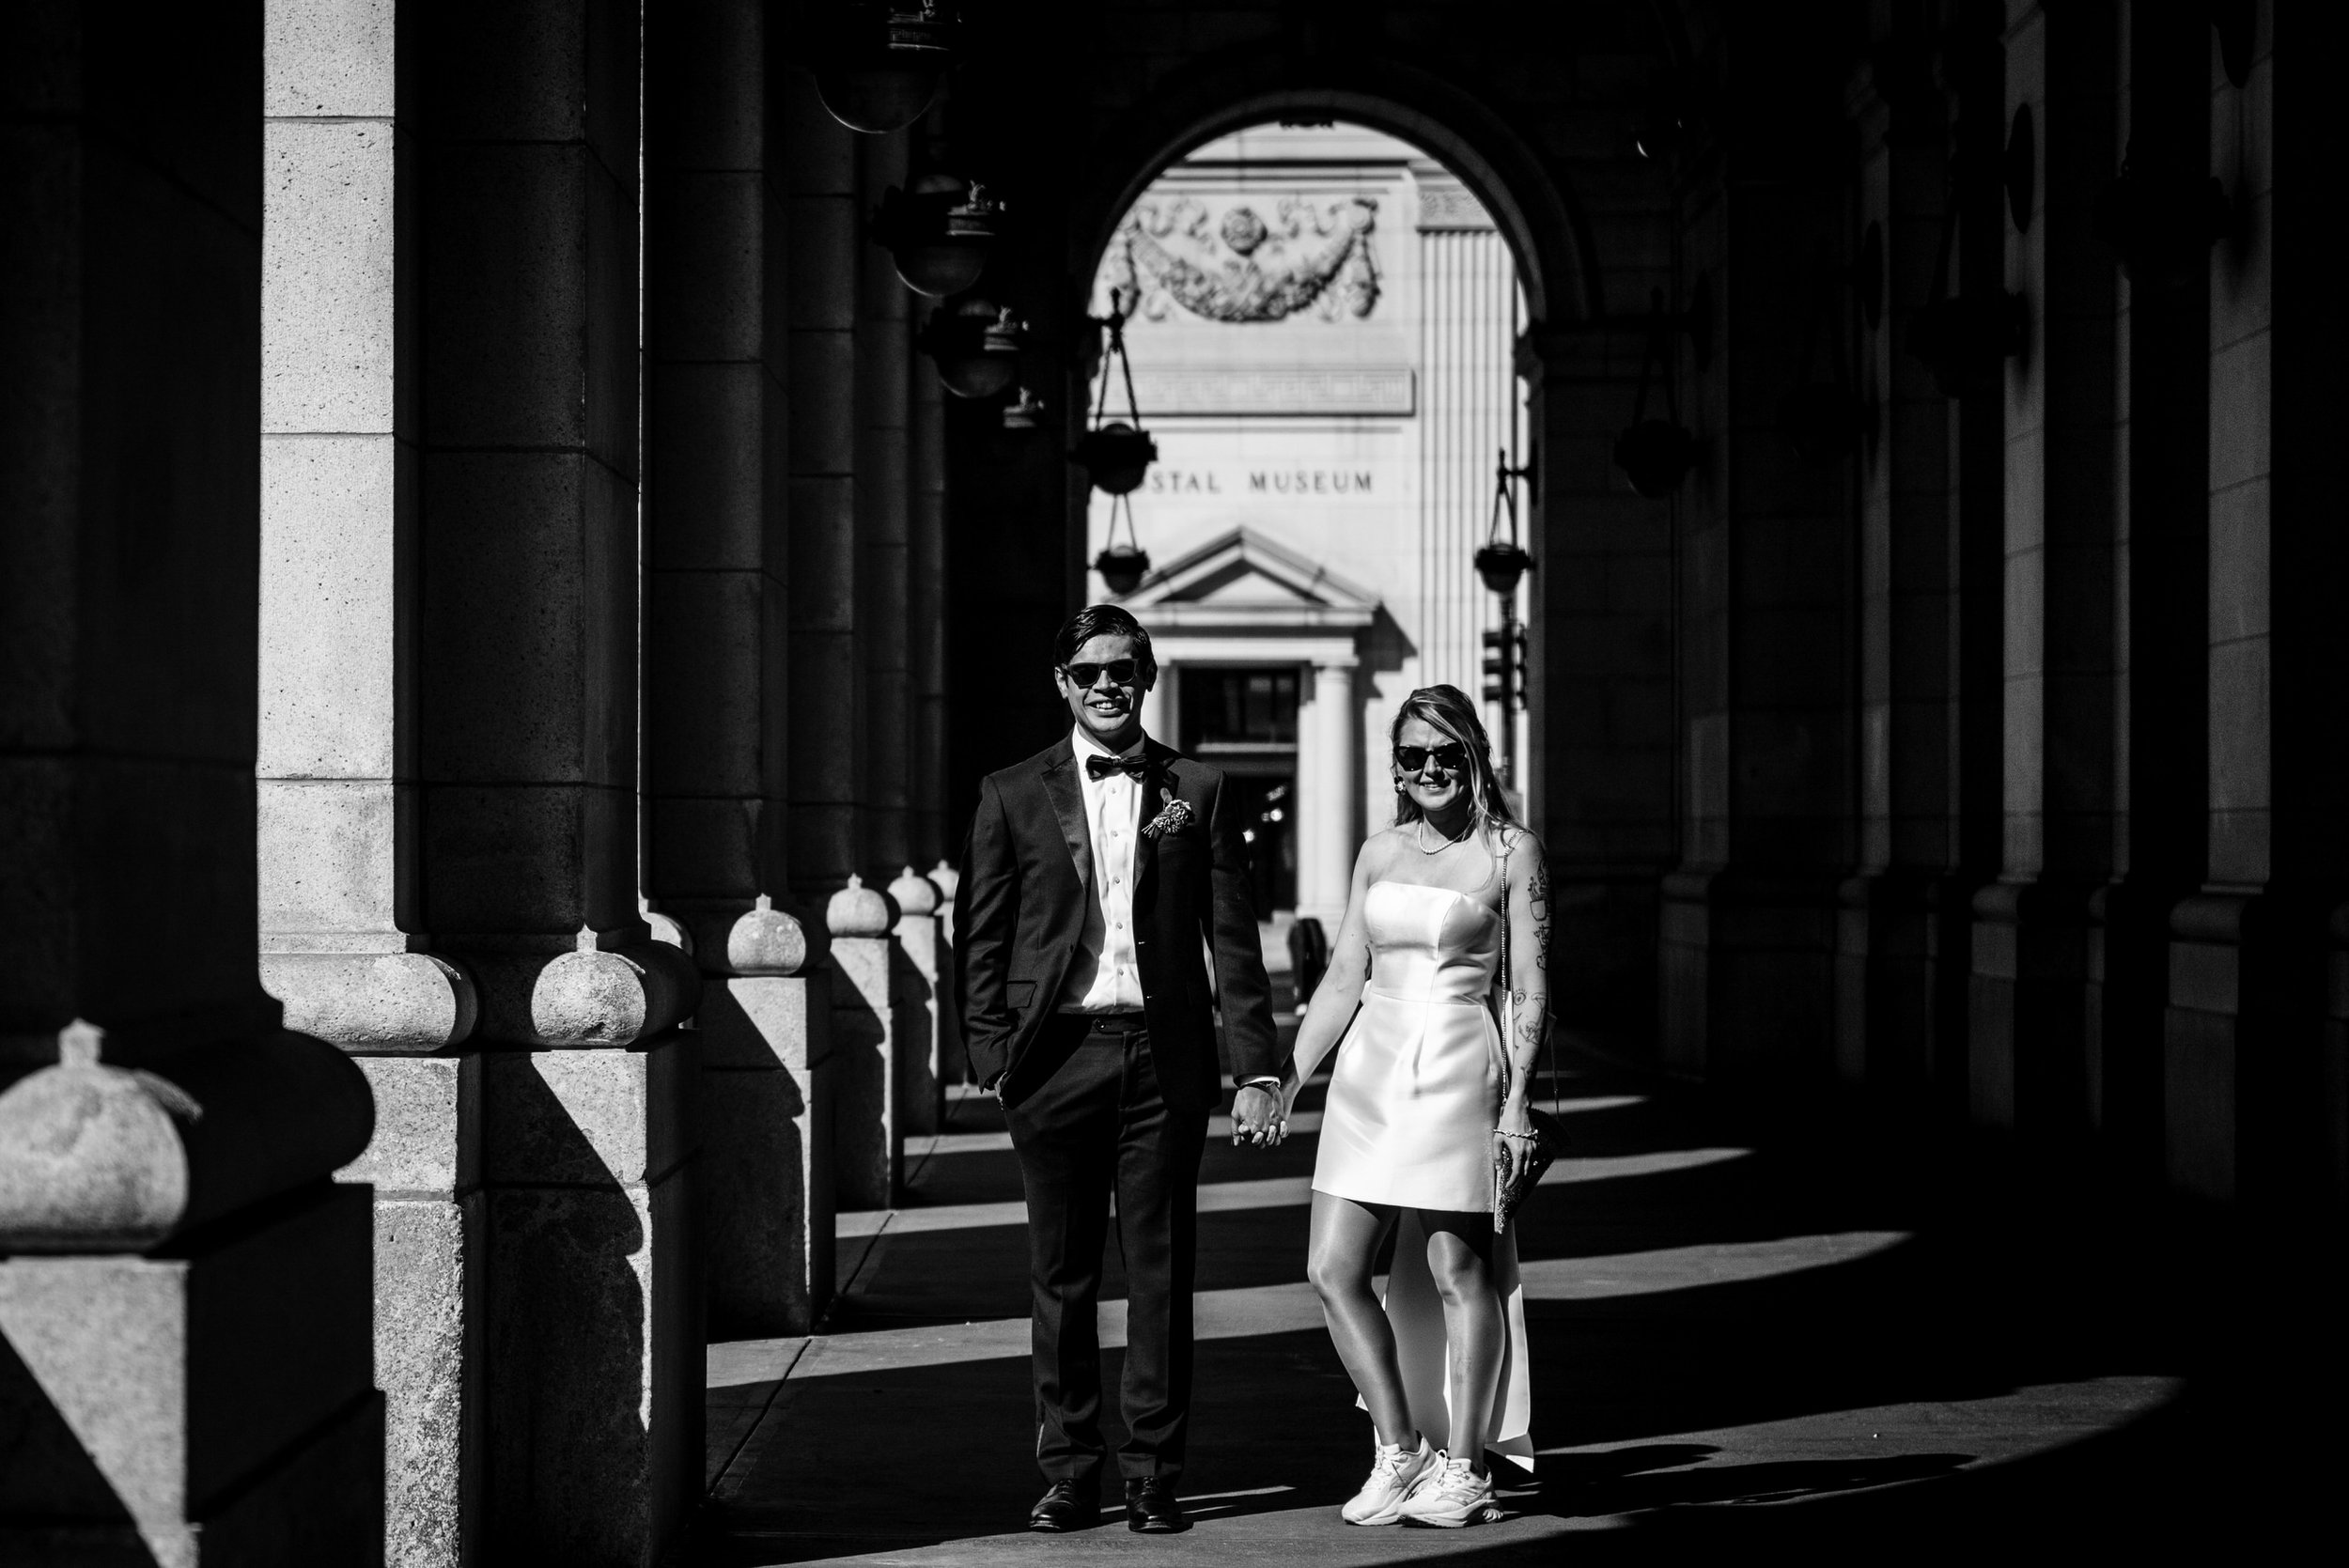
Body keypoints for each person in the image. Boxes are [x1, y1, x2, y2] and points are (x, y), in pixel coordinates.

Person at [956, 604, 1284, 1535]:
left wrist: (1255, 1064)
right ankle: (1069, 1470)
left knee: (1161, 1273)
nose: (1109, 683)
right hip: (1053, 1056)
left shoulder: (1199, 787)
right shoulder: (1012, 790)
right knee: (1059, 1276)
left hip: (1163, 1060)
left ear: (1147, 677)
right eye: (1091, 669)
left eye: (1126, 668)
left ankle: (1152, 1475)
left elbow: (1234, 940)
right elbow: (981, 929)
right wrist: (989, 1048)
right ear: (1062, 682)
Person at [1280, 683, 1547, 1527]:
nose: (1429, 767)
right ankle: (1401, 1448)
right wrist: (1285, 1077)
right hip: (1370, 1072)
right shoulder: (1377, 851)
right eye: (1411, 755)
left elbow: (1533, 989)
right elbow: (1342, 976)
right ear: (1394, 766)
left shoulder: (1515, 853)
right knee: (1332, 1268)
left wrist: (1518, 1108)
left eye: (1445, 752)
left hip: (1462, 1067)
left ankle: (1466, 1469)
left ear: (1474, 755)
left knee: (1458, 1272)